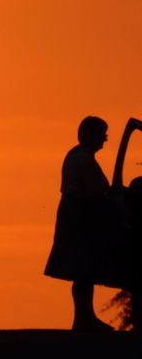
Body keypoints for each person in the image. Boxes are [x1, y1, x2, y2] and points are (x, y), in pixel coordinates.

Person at [45, 116, 128, 332]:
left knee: (85, 270)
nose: (105, 139)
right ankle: (84, 318)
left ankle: (85, 317)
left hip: (81, 214)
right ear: (92, 135)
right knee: (82, 268)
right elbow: (96, 191)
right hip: (80, 216)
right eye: (102, 134)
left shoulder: (81, 156)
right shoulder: (81, 159)